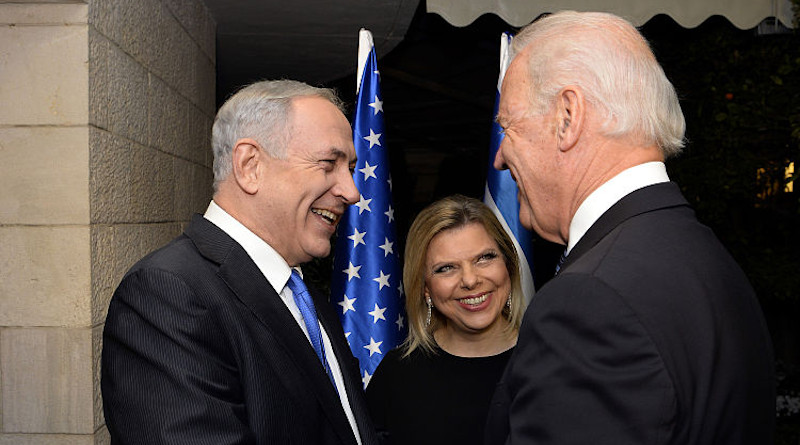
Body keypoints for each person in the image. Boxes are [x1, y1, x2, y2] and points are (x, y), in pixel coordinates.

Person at [485, 10, 776, 445]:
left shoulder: (590, 303)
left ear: (567, 116)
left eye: (508, 127)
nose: (500, 157)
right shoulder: (702, 252)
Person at [102, 80, 378, 445]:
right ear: (250, 166)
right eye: (329, 164)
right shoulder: (166, 294)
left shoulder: (301, 292)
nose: (352, 191)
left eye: (351, 169)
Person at [366, 195, 525, 445]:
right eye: (446, 268)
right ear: (425, 288)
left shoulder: (548, 360)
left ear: (508, 266)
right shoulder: (397, 375)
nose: (470, 280)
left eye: (484, 258)